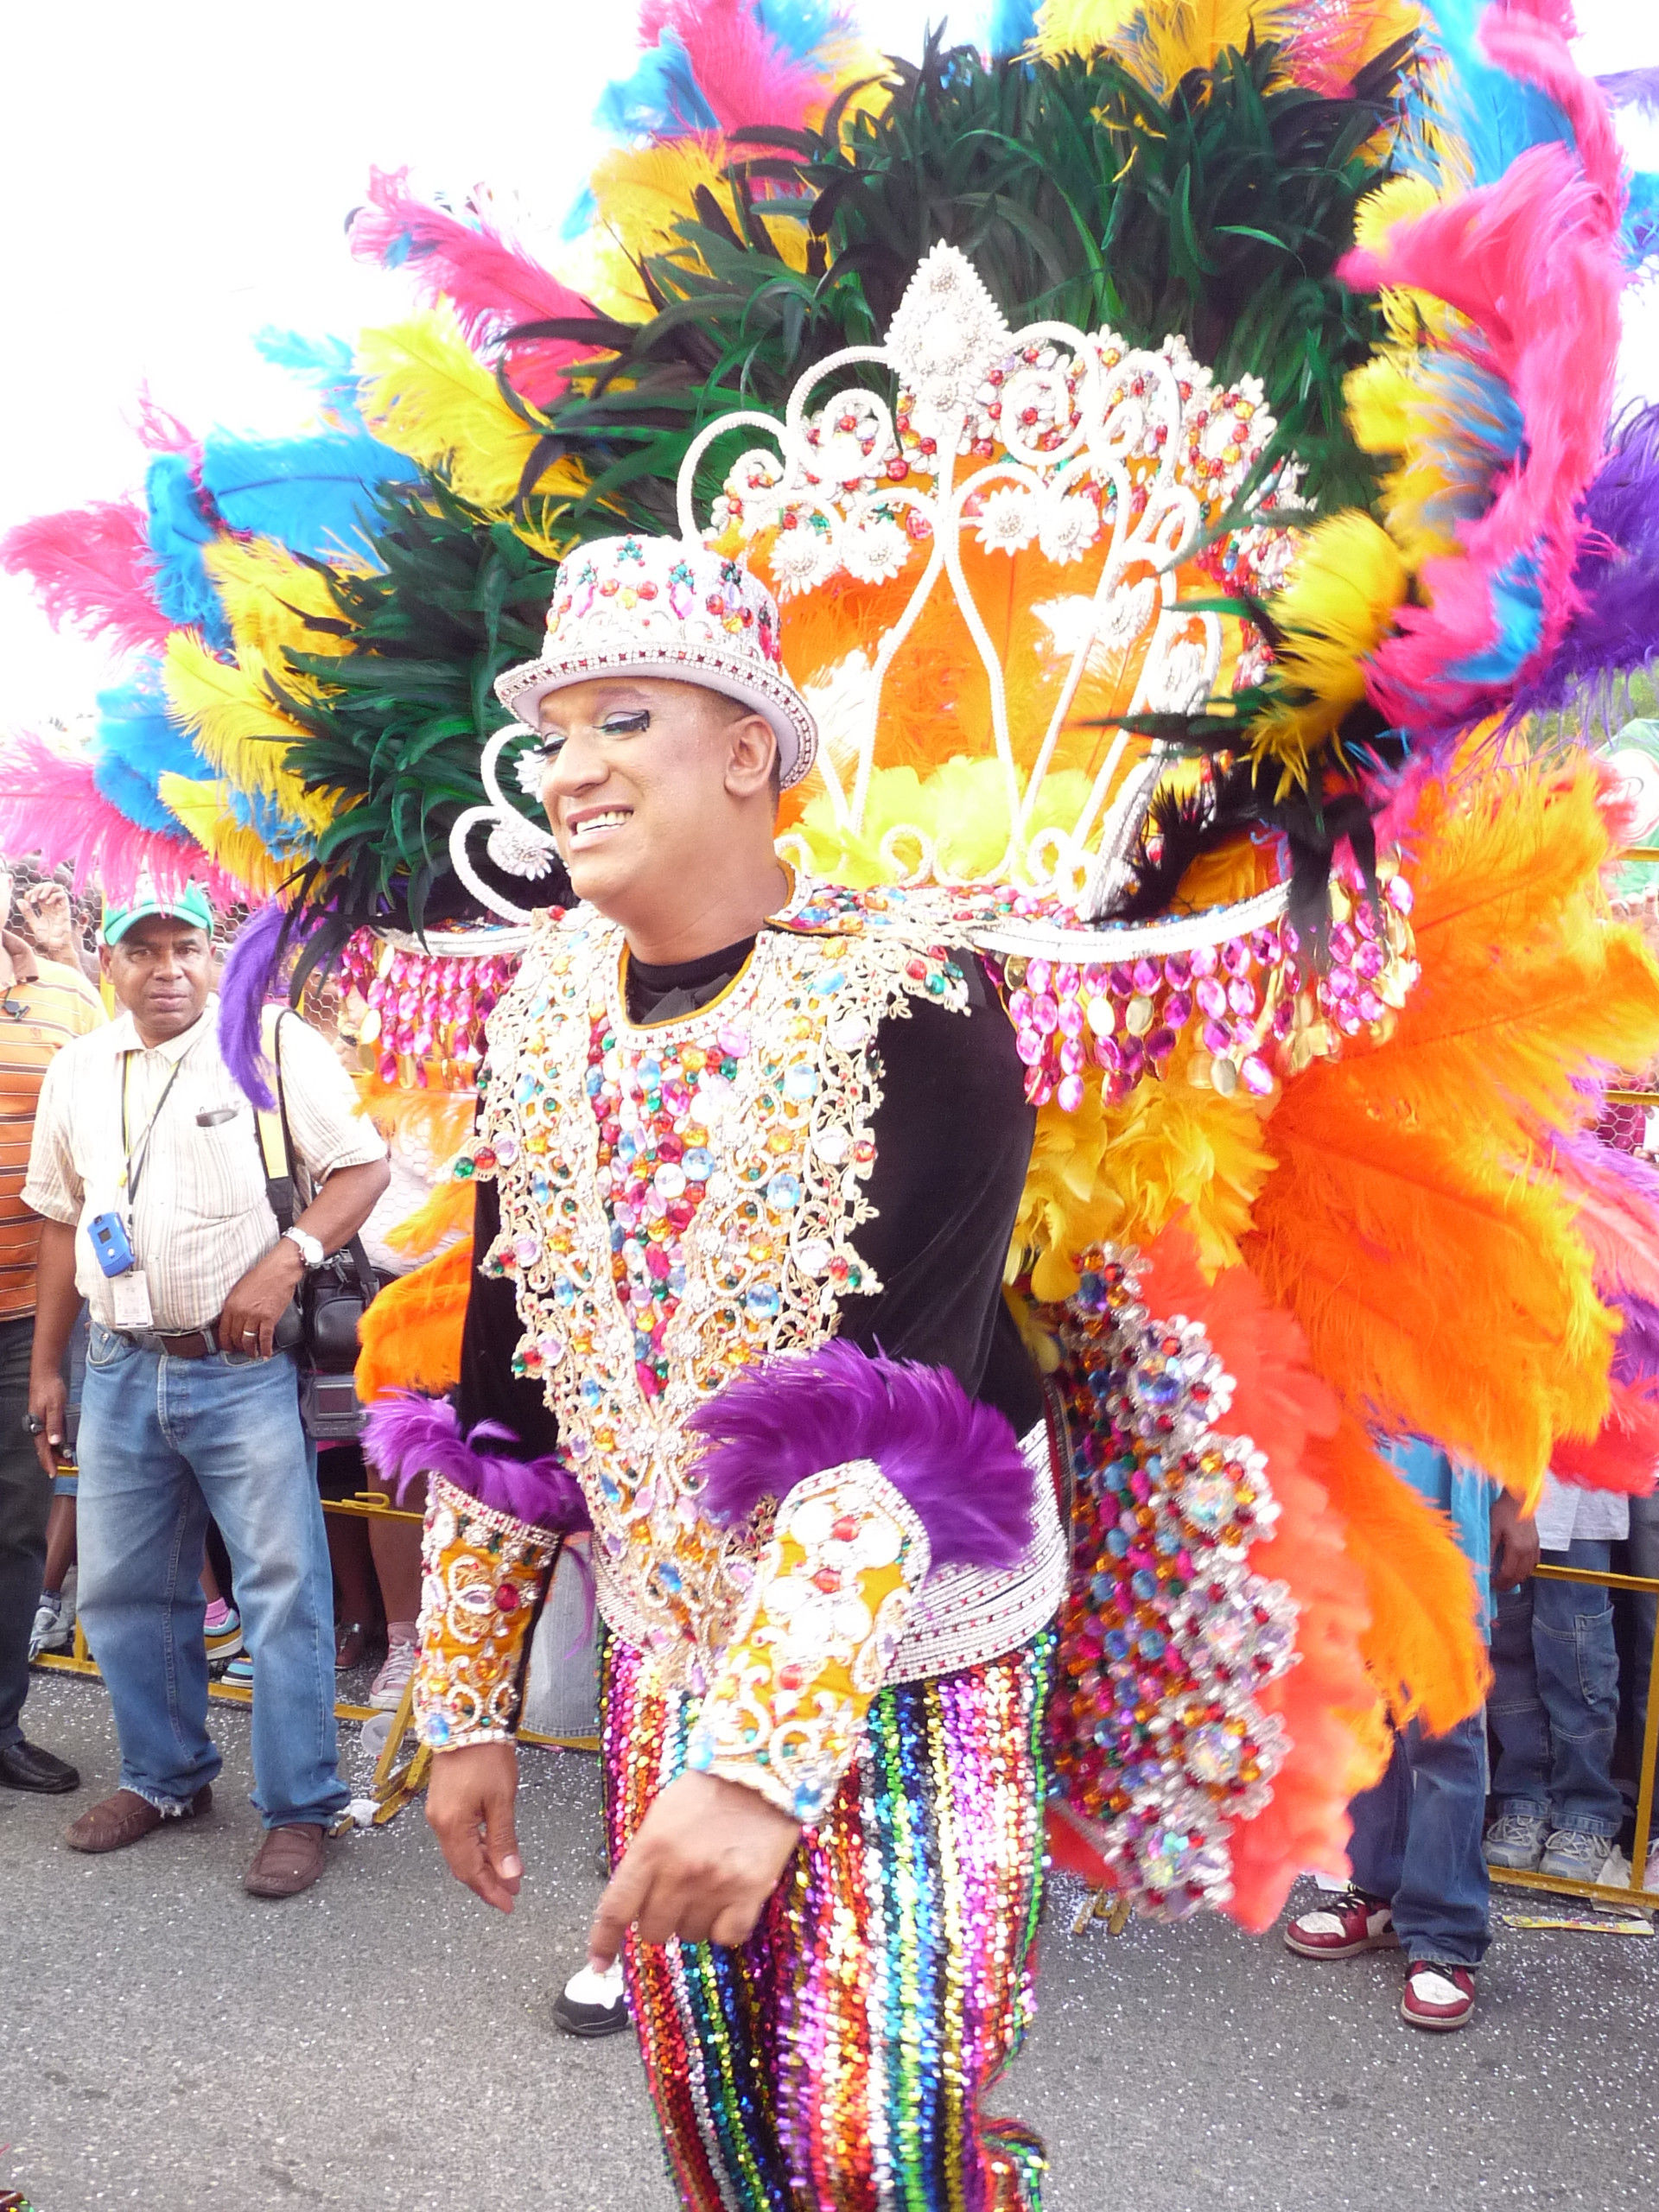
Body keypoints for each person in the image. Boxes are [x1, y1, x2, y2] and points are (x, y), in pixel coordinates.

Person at [372, 536, 1065, 2207]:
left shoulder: (919, 996)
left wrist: (755, 1764)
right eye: (551, 738)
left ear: (749, 751)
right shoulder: (537, 1013)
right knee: (719, 2139)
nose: (572, 769)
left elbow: (900, 1418)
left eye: (624, 719)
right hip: (667, 1651)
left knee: (870, 2147)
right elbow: (509, 1391)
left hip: (917, 1665)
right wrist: (464, 1705)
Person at [22, 879, 389, 1897]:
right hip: (119, 1362)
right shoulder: (81, 1068)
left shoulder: (269, 1044)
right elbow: (61, 1217)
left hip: (241, 1373)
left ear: (215, 956)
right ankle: (169, 1776)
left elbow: (362, 1167)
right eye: (144, 952)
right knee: (124, 1592)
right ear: (111, 963)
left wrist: (287, 1260)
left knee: (280, 1593)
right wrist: (50, 1365)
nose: (169, 969)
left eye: (187, 947)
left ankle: (303, 1804)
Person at [1284, 1446, 1539, 2032]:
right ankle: (1378, 1892)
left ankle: (1446, 1933)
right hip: (1352, 1490)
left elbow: (1534, 1370)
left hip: (1444, 1500)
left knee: (1446, 1730)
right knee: (1362, 1709)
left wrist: (1520, 1499)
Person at [0, 857, 107, 1794]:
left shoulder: (68, 998)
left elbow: (105, 1128)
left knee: (16, 1528)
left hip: (24, 1313)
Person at [1485, 1471, 1628, 1884]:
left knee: (1577, 1656)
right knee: (1508, 1655)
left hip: (1580, 1489)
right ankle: (1524, 1803)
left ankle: (1586, 1814)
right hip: (1495, 1484)